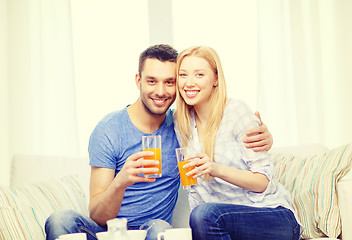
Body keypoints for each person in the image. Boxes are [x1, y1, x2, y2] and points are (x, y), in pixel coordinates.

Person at [45, 44, 273, 240]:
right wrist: (121, 181)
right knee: (60, 220)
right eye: (152, 81)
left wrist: (263, 133)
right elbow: (97, 215)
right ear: (138, 80)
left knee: (162, 229)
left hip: (152, 231)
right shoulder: (108, 130)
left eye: (169, 82)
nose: (161, 91)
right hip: (109, 233)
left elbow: (219, 123)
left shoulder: (181, 126)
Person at [174, 46, 300, 240]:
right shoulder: (180, 122)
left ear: (216, 79)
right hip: (219, 222)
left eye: (199, 74)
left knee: (203, 215)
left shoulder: (236, 112)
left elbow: (262, 182)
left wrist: (215, 169)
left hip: (272, 216)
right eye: (183, 74)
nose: (189, 83)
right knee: (200, 216)